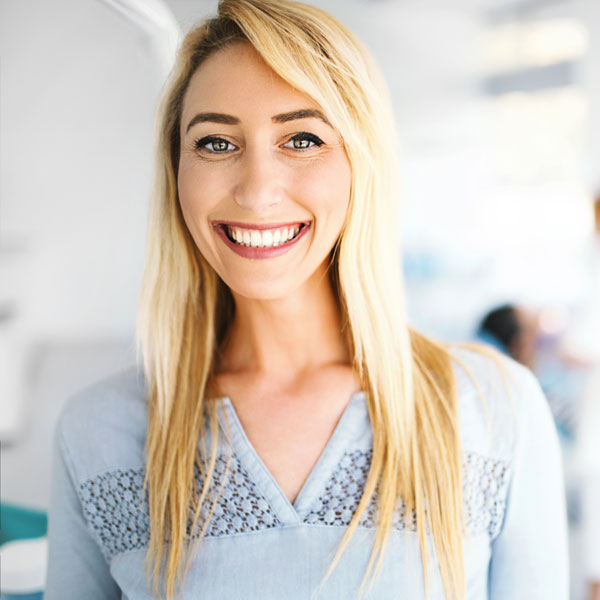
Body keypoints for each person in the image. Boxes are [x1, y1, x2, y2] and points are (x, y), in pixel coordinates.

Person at [44, 1, 569, 598]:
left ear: (360, 164)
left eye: (301, 138)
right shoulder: (97, 430)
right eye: (216, 143)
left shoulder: (494, 410)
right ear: (177, 171)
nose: (257, 191)